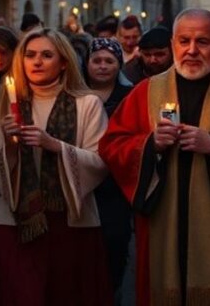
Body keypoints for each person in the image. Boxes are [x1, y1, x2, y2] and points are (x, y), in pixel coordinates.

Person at [100, 9, 210, 305]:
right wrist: (150, 145)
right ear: (173, 45)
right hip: (162, 220)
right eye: (184, 41)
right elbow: (112, 146)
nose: (192, 50)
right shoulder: (145, 92)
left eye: (203, 41)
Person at [0, 29, 112, 305]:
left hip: (71, 223)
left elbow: (101, 162)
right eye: (30, 55)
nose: (36, 62)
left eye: (46, 55)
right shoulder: (7, 104)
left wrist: (55, 145)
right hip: (17, 222)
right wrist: (11, 147)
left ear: (64, 62)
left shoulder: (87, 104)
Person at [82, 38, 134, 302]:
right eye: (97, 60)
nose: (102, 66)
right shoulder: (75, 95)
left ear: (119, 65)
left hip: (115, 187)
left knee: (113, 245)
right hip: (81, 184)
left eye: (109, 61)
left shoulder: (129, 97)